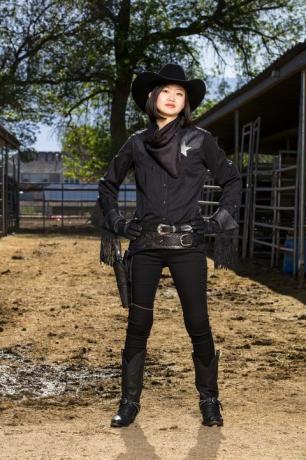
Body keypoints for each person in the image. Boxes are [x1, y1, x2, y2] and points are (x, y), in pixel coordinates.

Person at [98, 63, 242, 428]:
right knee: (138, 323)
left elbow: (232, 180)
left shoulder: (201, 140)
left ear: (186, 102)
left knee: (197, 321)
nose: (173, 98)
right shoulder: (136, 143)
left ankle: (210, 400)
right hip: (145, 245)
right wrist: (117, 223)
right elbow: (107, 184)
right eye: (166, 92)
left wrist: (216, 222)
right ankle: (129, 401)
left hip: (188, 245)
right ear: (152, 98)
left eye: (180, 94)